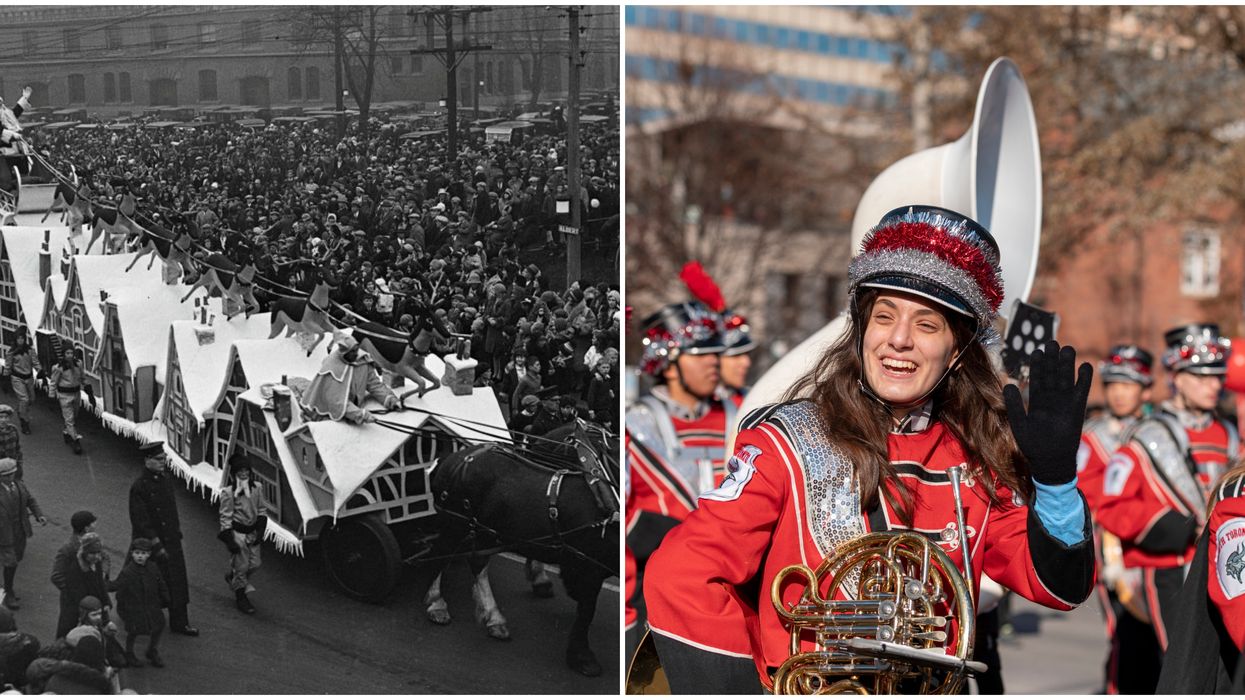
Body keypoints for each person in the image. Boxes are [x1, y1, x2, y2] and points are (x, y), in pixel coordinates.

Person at [643, 206, 1096, 693]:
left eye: (927, 325)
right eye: (884, 316)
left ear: (958, 350)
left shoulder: (975, 460)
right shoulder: (787, 441)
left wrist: (1054, 483)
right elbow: (683, 576)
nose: (898, 340)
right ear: (862, 330)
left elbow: (1059, 589)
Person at [1096, 324, 1239, 653]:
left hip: (1225, 564)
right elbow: (1112, 508)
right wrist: (1183, 528)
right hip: (1168, 570)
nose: (1214, 385)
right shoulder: (1147, 434)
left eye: (1217, 376)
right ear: (1177, 377)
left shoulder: (1228, 434)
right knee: (1183, 669)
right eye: (1201, 376)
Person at [624, 297, 734, 665]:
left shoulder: (740, 416)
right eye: (700, 355)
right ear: (669, 364)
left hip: (732, 601)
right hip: (660, 603)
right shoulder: (636, 425)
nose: (713, 362)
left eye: (716, 354)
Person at [1076, 344, 1161, 694]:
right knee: (1126, 639)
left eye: (1129, 385)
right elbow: (1086, 493)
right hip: (1114, 556)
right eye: (1114, 384)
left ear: (1145, 389)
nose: (1120, 393)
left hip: (1159, 549)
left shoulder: (1159, 432)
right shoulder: (1092, 437)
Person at [128, 442, 198, 637]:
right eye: (159, 460)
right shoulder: (139, 487)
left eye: (164, 459)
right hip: (151, 545)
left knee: (177, 583)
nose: (163, 463)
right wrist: (156, 544)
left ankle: (180, 622)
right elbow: (140, 521)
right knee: (149, 585)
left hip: (171, 541)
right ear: (147, 460)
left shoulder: (165, 480)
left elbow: (171, 511)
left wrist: (176, 533)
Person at [679, 261, 756, 407]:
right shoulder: (695, 408)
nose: (746, 363)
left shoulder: (752, 401)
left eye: (746, 355)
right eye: (735, 355)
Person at [300, 335, 400, 424]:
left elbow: (374, 385)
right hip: (328, 413)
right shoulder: (332, 368)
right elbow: (337, 402)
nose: (356, 354)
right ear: (344, 352)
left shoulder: (362, 361)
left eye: (356, 350)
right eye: (352, 351)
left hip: (353, 406)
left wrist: (389, 399)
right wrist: (360, 415)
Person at [218, 453, 268, 615]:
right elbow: (225, 517)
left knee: (255, 564)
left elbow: (261, 509)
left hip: (252, 532)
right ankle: (241, 597)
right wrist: (230, 540)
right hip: (238, 534)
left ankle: (233, 576)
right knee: (242, 566)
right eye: (240, 473)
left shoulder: (257, 488)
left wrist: (260, 530)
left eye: (246, 472)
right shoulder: (228, 493)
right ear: (235, 474)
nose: (244, 475)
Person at [109, 538, 168, 669]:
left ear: (149, 554)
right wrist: (105, 582)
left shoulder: (153, 568)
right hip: (134, 608)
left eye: (143, 553)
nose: (140, 556)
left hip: (152, 605)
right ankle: (129, 652)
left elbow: (160, 582)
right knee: (134, 631)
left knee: (158, 626)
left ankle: (152, 650)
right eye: (137, 553)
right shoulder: (128, 572)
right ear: (132, 554)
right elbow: (117, 586)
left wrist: (165, 597)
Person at [0, 457, 44, 610]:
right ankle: (8, 591)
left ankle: (6, 587)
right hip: (3, 534)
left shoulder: (19, 485)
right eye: (5, 475)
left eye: (12, 473)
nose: (10, 477)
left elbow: (30, 500)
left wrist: (39, 515)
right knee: (10, 562)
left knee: (16, 559)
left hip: (20, 530)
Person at [51, 532, 111, 640]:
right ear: (85, 552)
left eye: (98, 553)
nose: (97, 557)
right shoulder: (75, 568)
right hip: (76, 606)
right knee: (68, 632)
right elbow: (76, 592)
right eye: (92, 553)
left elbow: (100, 584)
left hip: (91, 605)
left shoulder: (96, 562)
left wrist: (105, 602)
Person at [49, 346, 93, 455]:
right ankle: (75, 441)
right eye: (67, 353)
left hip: (76, 393)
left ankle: (66, 432)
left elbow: (83, 377)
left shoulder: (78, 364)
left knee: (74, 415)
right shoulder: (58, 368)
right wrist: (51, 396)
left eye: (71, 353)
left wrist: (89, 390)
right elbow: (53, 382)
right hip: (64, 395)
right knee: (69, 418)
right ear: (64, 354)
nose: (70, 355)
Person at [2, 327, 40, 434]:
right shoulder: (12, 352)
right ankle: (24, 421)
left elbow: (35, 362)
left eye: (22, 338)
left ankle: (20, 410)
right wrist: (5, 379)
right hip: (17, 378)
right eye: (18, 338)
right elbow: (8, 366)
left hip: (29, 377)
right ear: (15, 339)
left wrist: (40, 371)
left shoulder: (30, 350)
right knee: (24, 399)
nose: (20, 340)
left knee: (32, 399)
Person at [0, 406, 21, 480]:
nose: (3, 420)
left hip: (12, 466)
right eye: (1, 417)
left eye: (6, 417)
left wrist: (19, 462)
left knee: (20, 488)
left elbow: (17, 447)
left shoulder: (13, 429)